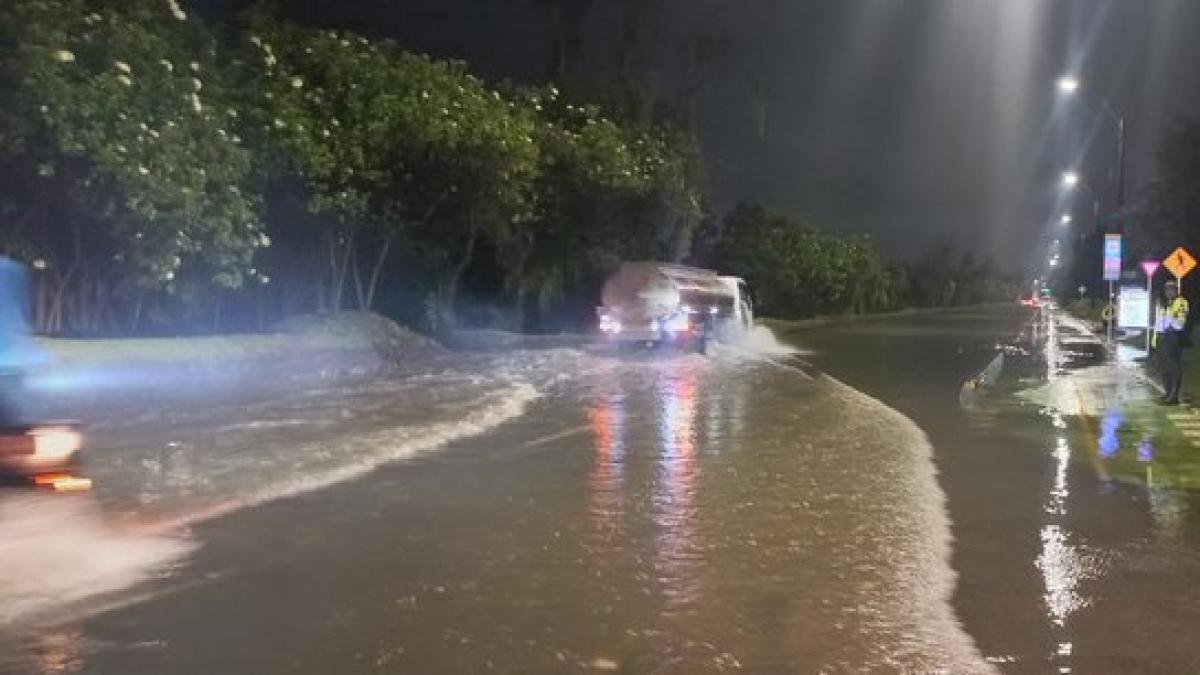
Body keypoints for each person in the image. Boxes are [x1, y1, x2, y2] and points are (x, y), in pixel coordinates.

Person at [1155, 280, 1190, 405]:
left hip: (1174, 337)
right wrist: (1156, 338)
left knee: (1173, 368)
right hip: (1163, 337)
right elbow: (1159, 322)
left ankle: (1174, 396)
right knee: (1164, 368)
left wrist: (1170, 323)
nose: (1168, 292)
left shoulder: (1181, 302)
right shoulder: (1164, 303)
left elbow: (1180, 323)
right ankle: (1167, 392)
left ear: (1176, 290)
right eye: (1167, 290)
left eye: (1171, 290)